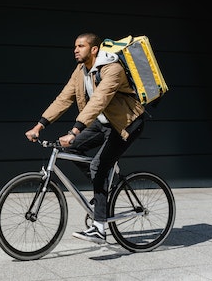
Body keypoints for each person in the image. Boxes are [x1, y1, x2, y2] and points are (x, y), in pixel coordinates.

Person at [24, 32, 147, 244]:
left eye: (80, 46)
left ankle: (99, 228)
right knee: (71, 150)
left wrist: (74, 131)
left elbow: (98, 100)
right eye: (75, 46)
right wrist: (39, 125)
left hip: (126, 123)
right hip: (104, 122)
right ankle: (103, 190)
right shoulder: (80, 71)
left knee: (98, 166)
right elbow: (64, 98)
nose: (75, 50)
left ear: (94, 49)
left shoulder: (113, 68)